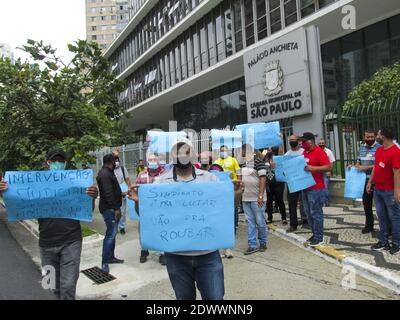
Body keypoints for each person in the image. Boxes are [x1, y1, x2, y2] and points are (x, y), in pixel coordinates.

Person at [129, 138, 234, 300]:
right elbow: (148, 216)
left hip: (208, 255)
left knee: (215, 298)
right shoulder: (160, 183)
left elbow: (224, 212)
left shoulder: (210, 180)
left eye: (186, 151)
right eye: (178, 152)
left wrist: (238, 195)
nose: (182, 155)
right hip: (176, 257)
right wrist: (139, 202)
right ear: (172, 156)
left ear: (192, 154)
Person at [0, 149, 98, 300]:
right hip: (46, 245)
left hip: (71, 242)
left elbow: (87, 210)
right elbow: (18, 203)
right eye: (53, 161)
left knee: (68, 287)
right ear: (47, 163)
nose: (57, 164)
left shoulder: (76, 182)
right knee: (51, 286)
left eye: (60, 161)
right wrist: (6, 192)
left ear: (65, 164)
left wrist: (92, 196)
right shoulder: (36, 185)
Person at [367, 127, 400, 254]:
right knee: (381, 216)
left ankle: (397, 243)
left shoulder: (395, 152)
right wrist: (370, 182)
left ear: (384, 137)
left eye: (379, 134)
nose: (377, 136)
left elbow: (397, 173)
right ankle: (383, 241)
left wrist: (397, 191)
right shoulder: (379, 150)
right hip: (378, 189)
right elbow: (376, 167)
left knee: (394, 217)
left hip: (390, 191)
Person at [300, 132, 331, 247]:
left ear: (311, 141)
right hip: (305, 187)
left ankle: (319, 237)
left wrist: (312, 168)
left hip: (316, 188)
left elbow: (328, 167)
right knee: (308, 213)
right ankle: (314, 233)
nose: (302, 143)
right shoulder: (304, 152)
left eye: (304, 141)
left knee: (316, 213)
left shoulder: (319, 152)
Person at [135, 153, 166, 264]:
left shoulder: (165, 175)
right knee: (143, 230)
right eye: (150, 159)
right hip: (145, 209)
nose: (153, 161)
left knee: (162, 229)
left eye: (154, 159)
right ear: (147, 161)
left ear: (158, 161)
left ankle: (163, 252)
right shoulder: (141, 175)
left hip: (160, 209)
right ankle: (144, 250)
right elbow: (136, 189)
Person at [96, 153, 125, 274]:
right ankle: (104, 262)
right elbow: (107, 193)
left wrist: (120, 194)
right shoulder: (104, 174)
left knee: (113, 233)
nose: (116, 163)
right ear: (111, 162)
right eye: (115, 161)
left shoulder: (108, 172)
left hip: (112, 207)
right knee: (110, 234)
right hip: (110, 209)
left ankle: (111, 257)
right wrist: (116, 208)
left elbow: (112, 190)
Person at [350, 129, 381, 234]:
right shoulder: (362, 147)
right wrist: (355, 166)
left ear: (375, 136)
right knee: (366, 204)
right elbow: (359, 161)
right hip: (363, 180)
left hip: (376, 180)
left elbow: (378, 165)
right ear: (364, 137)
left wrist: (365, 167)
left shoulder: (379, 148)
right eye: (368, 137)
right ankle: (369, 225)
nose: (370, 139)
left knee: (380, 206)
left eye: (372, 137)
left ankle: (386, 228)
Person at [240, 144, 268, 255]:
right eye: (242, 152)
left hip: (257, 199)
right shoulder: (242, 164)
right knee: (250, 222)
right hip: (245, 198)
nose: (242, 153)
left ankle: (263, 242)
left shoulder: (258, 162)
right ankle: (252, 244)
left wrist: (260, 196)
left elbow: (263, 179)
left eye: (244, 151)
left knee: (260, 221)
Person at [214, 145, 241, 240]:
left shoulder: (233, 160)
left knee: (233, 207)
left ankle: (234, 226)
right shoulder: (216, 162)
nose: (223, 152)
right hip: (220, 189)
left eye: (224, 150)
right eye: (221, 151)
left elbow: (238, 172)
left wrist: (238, 183)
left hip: (232, 186)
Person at [285, 135, 308, 233]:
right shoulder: (287, 155)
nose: (291, 142)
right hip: (292, 182)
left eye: (293, 140)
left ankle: (306, 220)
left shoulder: (304, 152)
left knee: (305, 202)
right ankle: (293, 224)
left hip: (303, 180)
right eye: (290, 140)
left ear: (298, 141)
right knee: (292, 204)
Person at [265, 147, 287, 225]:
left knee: (280, 200)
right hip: (269, 182)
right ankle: (269, 217)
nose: (269, 150)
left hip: (279, 182)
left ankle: (284, 218)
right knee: (269, 201)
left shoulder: (280, 158)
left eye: (270, 149)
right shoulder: (266, 158)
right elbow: (265, 169)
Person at [111, 149, 132, 235]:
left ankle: (122, 226)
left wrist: (130, 189)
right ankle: (114, 227)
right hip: (113, 193)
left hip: (123, 191)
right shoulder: (110, 170)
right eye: (114, 160)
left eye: (117, 160)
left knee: (122, 211)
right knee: (114, 211)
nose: (116, 162)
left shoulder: (123, 169)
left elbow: (127, 179)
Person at [318, 139, 335, 206]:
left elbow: (332, 162)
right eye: (320, 143)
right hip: (318, 172)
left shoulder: (328, 152)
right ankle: (321, 202)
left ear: (325, 144)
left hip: (325, 172)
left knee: (325, 188)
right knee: (319, 188)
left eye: (322, 143)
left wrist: (329, 170)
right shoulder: (316, 151)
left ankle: (326, 202)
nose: (321, 144)